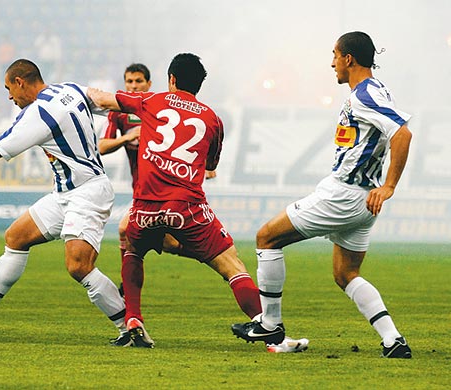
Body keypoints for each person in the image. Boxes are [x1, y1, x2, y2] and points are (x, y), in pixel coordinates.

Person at [89, 53, 308, 352]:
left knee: (131, 241)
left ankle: (134, 319)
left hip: (146, 207)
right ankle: (273, 334)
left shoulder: (151, 102)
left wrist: (69, 92)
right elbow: (210, 165)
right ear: (199, 84)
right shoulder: (213, 119)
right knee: (232, 265)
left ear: (171, 79)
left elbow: (100, 99)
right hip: (186, 208)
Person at [231, 31, 413, 359]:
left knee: (267, 237)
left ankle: (270, 324)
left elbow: (402, 133)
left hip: (344, 194)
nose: (332, 63)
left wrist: (389, 186)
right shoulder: (373, 90)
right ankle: (392, 339)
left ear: (349, 59)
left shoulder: (365, 96)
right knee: (346, 274)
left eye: (335, 55)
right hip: (362, 201)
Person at [0, 59, 127, 344]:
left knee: (78, 266)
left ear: (20, 81)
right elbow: (104, 99)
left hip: (87, 192)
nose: (9, 96)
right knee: (16, 236)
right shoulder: (68, 89)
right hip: (65, 194)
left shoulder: (38, 113)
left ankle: (129, 328)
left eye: (9, 88)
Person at [98, 63, 214, 287]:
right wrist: (127, 137)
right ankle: (212, 254)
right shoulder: (119, 114)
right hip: (143, 192)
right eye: (129, 82)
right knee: (168, 243)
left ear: (149, 84)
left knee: (125, 229)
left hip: (170, 189)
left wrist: (205, 166)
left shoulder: (160, 108)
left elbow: (188, 136)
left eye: (138, 81)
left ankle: (127, 287)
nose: (133, 86)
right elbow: (102, 146)